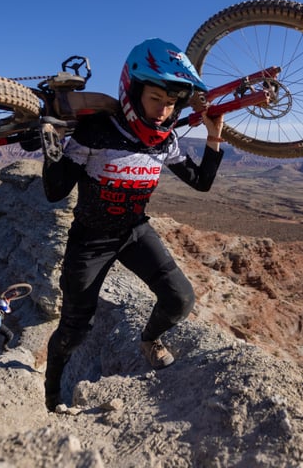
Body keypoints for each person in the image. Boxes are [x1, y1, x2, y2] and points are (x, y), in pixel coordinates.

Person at [40, 38, 225, 411]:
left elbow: (201, 182)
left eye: (171, 103)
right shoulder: (97, 133)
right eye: (156, 98)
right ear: (133, 90)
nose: (163, 111)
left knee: (180, 299)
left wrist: (214, 134)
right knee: (75, 331)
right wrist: (54, 144)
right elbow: (55, 191)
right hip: (90, 240)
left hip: (134, 232)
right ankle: (51, 390)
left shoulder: (166, 140)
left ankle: (150, 340)